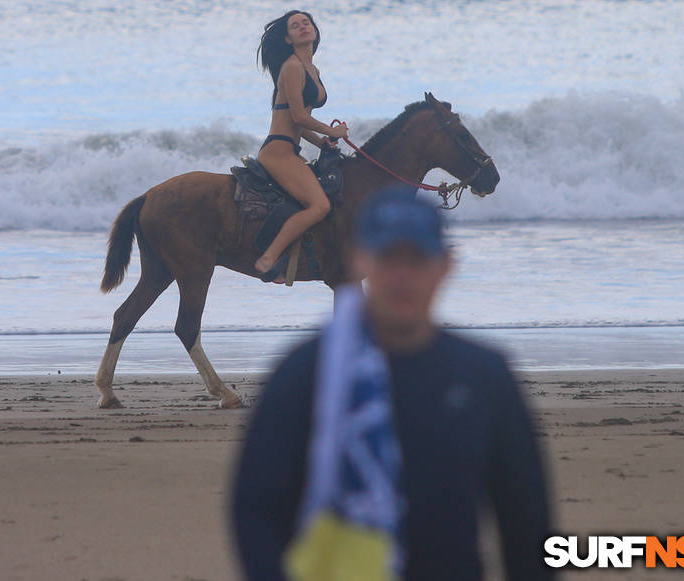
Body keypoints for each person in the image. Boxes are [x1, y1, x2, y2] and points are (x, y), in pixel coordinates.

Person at [231, 188, 555, 580]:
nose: (402, 276)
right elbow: (256, 509)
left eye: (416, 259)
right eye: (388, 258)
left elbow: (525, 520)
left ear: (445, 265)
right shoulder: (306, 372)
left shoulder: (484, 375)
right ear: (360, 260)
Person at [253, 10, 350, 282]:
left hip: (290, 150)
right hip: (277, 152)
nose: (303, 27)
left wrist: (322, 141)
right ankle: (268, 258)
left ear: (315, 30)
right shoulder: (292, 67)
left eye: (306, 22)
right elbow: (297, 116)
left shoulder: (312, 69)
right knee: (320, 206)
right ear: (288, 38)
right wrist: (332, 130)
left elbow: (299, 124)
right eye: (295, 26)